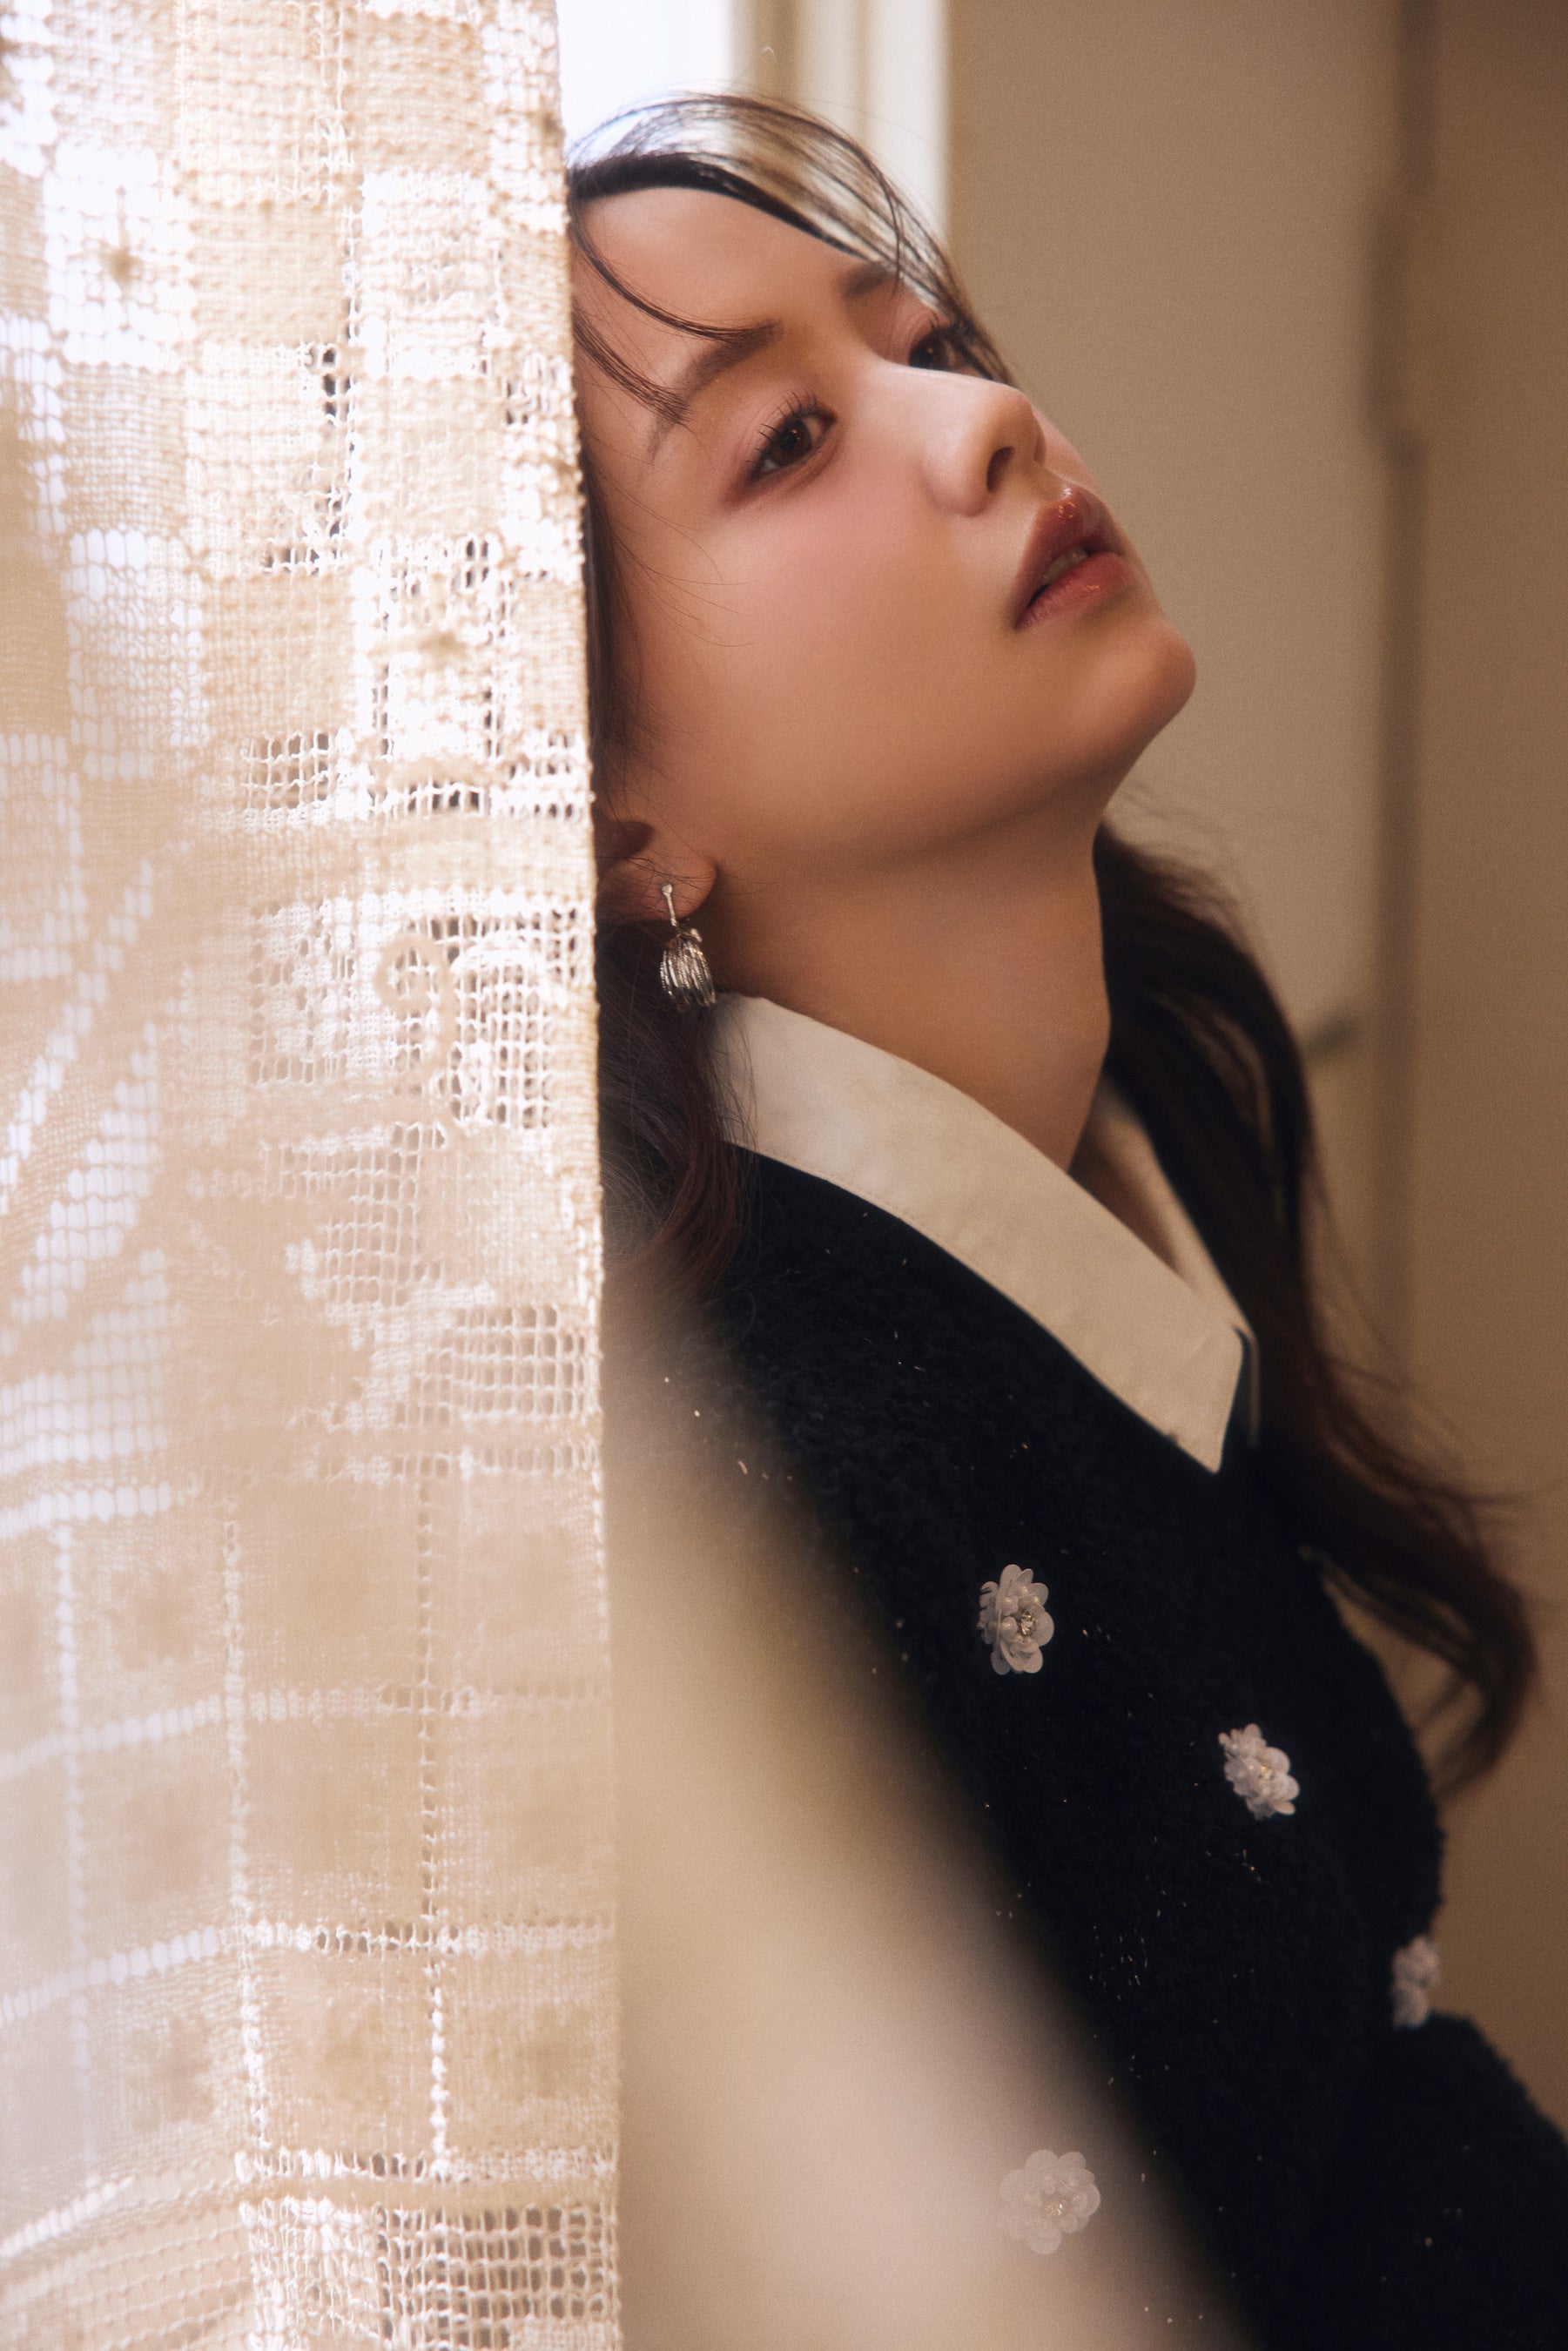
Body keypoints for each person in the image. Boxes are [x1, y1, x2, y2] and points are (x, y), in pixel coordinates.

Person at [567, 94, 1568, 2348]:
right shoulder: (759, 1483)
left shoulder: (1114, 1163)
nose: (989, 418)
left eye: (924, 344)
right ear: (611, 813)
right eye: (789, 441)